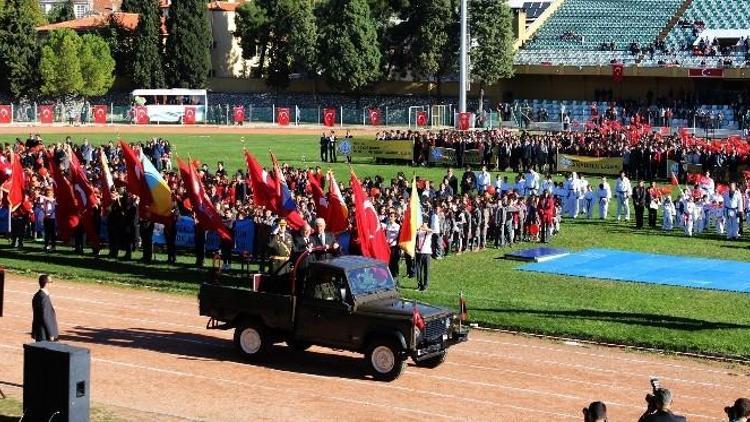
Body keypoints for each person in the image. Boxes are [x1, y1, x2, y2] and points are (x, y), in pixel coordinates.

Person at [31, 274, 59, 342]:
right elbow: (45, 316)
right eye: (51, 282)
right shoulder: (44, 298)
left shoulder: (37, 295)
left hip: (39, 332)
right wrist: (51, 333)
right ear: (46, 284)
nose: (51, 284)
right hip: (45, 334)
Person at [415, 223, 432, 291]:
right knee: (419, 270)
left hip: (427, 253)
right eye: (422, 224)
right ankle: (420, 285)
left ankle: (425, 285)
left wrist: (424, 228)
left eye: (425, 224)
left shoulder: (428, 232)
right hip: (419, 253)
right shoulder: (419, 232)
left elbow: (431, 230)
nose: (423, 225)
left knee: (426, 270)